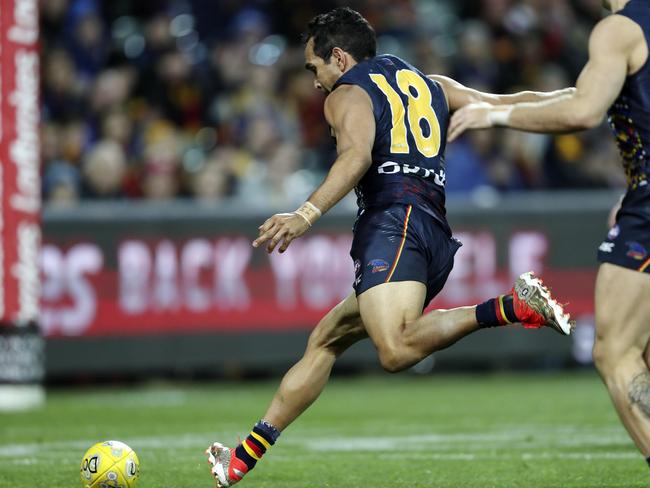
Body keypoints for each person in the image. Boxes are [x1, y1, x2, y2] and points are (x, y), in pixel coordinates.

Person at [206, 8, 574, 487]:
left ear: (338, 57)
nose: (315, 82)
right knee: (326, 339)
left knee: (396, 350)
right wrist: (583, 98)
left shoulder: (348, 91)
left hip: (393, 225)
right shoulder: (431, 84)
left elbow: (356, 155)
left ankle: (509, 307)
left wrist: (304, 215)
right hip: (432, 231)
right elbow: (506, 102)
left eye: (314, 67)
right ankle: (241, 459)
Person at [447, 0, 650, 468]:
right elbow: (573, 95)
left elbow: (583, 110)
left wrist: (495, 118)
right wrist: (493, 101)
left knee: (616, 352)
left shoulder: (619, 29)